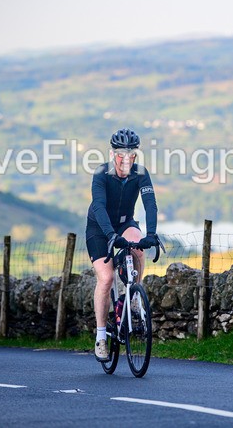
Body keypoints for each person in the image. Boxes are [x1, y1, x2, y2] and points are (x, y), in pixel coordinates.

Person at [86, 128, 159, 360]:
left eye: (130, 154)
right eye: (120, 154)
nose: (125, 159)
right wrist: (110, 235)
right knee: (106, 278)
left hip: (125, 222)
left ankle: (134, 297)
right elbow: (98, 207)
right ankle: (100, 337)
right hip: (99, 227)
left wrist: (152, 234)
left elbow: (150, 204)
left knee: (138, 245)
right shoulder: (101, 174)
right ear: (112, 154)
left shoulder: (140, 173)